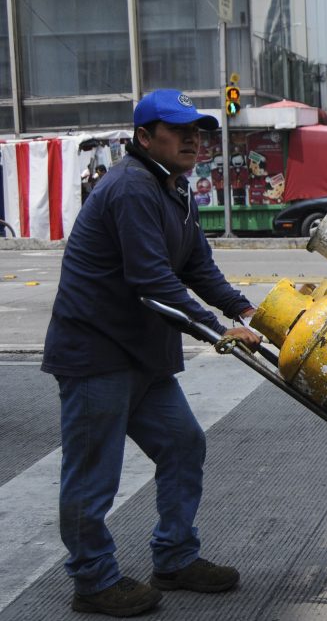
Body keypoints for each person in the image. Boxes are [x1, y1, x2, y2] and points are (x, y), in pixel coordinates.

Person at [41, 89, 262, 617]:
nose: (192, 138)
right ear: (145, 137)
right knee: (94, 475)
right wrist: (214, 329)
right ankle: (92, 580)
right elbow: (151, 279)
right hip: (96, 353)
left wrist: (247, 313)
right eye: (177, 129)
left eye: (198, 130)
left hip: (141, 355)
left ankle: (175, 557)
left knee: (183, 444)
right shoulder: (131, 189)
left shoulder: (175, 189)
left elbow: (197, 268)